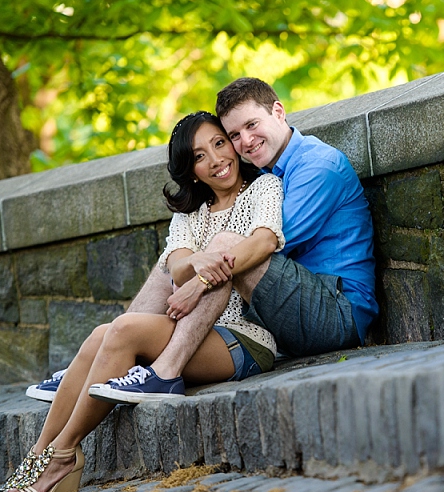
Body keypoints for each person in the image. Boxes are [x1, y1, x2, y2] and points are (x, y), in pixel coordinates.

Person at [0, 111, 284, 492]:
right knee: (102, 334)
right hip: (192, 331)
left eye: (219, 143)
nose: (216, 159)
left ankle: (64, 454)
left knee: (127, 327)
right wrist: (192, 265)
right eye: (200, 156)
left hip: (243, 339)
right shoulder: (190, 215)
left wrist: (200, 275)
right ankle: (38, 454)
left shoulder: (263, 188)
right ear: (192, 171)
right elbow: (175, 264)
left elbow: (264, 241)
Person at [86, 77, 378, 402]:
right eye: (235, 135)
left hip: (338, 314)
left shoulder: (317, 166)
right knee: (170, 263)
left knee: (226, 246)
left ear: (278, 112)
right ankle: (102, 353)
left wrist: (197, 282)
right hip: (287, 313)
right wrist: (186, 264)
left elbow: (264, 243)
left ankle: (166, 371)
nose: (246, 141)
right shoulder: (270, 173)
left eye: (252, 125)